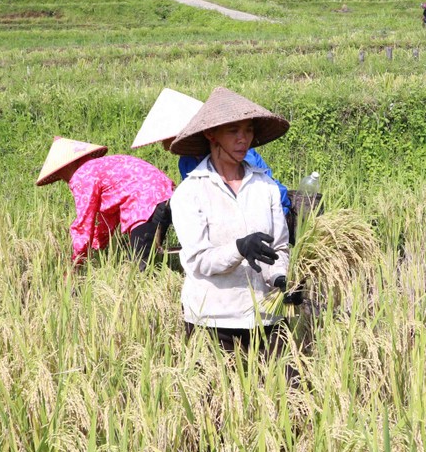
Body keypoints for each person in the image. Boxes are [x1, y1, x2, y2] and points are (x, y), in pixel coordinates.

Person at [168, 87, 301, 353]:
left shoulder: (265, 187)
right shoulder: (190, 192)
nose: (244, 139)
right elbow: (198, 260)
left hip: (265, 318)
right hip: (214, 321)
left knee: (285, 391)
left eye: (249, 130)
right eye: (233, 131)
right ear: (210, 134)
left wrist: (281, 280)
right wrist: (239, 249)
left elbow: (279, 250)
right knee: (218, 395)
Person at [131, 88, 292, 221]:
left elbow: (269, 192)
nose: (164, 145)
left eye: (166, 138)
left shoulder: (238, 153)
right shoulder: (186, 162)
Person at [35, 137, 174, 267]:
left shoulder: (82, 176)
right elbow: (108, 219)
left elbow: (84, 224)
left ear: (67, 166)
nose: (63, 179)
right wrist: (97, 246)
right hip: (168, 196)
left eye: (60, 173)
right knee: (151, 254)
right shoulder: (98, 168)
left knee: (139, 267)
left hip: (145, 205)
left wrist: (76, 262)